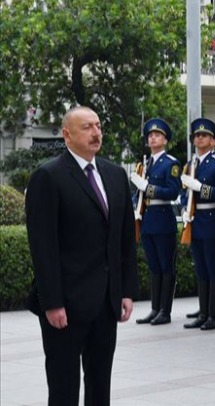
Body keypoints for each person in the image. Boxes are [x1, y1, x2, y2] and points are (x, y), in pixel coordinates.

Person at [25, 106, 139, 405]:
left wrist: (126, 291)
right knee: (64, 387)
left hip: (106, 302)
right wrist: (52, 302)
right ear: (67, 135)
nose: (96, 132)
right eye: (87, 127)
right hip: (66, 305)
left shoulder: (115, 175)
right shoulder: (48, 176)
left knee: (100, 384)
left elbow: (124, 239)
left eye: (98, 125)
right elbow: (43, 245)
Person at [180, 119, 215, 330]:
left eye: (204, 136)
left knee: (212, 267)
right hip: (194, 219)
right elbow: (184, 193)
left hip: (211, 218)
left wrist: (201, 187)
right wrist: (184, 209)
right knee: (201, 268)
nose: (199, 138)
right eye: (196, 136)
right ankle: (203, 313)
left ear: (213, 142)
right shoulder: (191, 164)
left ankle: (214, 315)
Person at [130, 119, 180, 326]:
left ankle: (165, 311)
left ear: (165, 140)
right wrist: (134, 208)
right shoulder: (145, 163)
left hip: (163, 216)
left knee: (166, 266)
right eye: (150, 136)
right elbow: (138, 193)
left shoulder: (171, 163)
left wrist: (148, 187)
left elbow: (173, 191)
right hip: (148, 217)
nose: (152, 138)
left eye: (157, 135)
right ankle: (154, 308)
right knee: (154, 267)